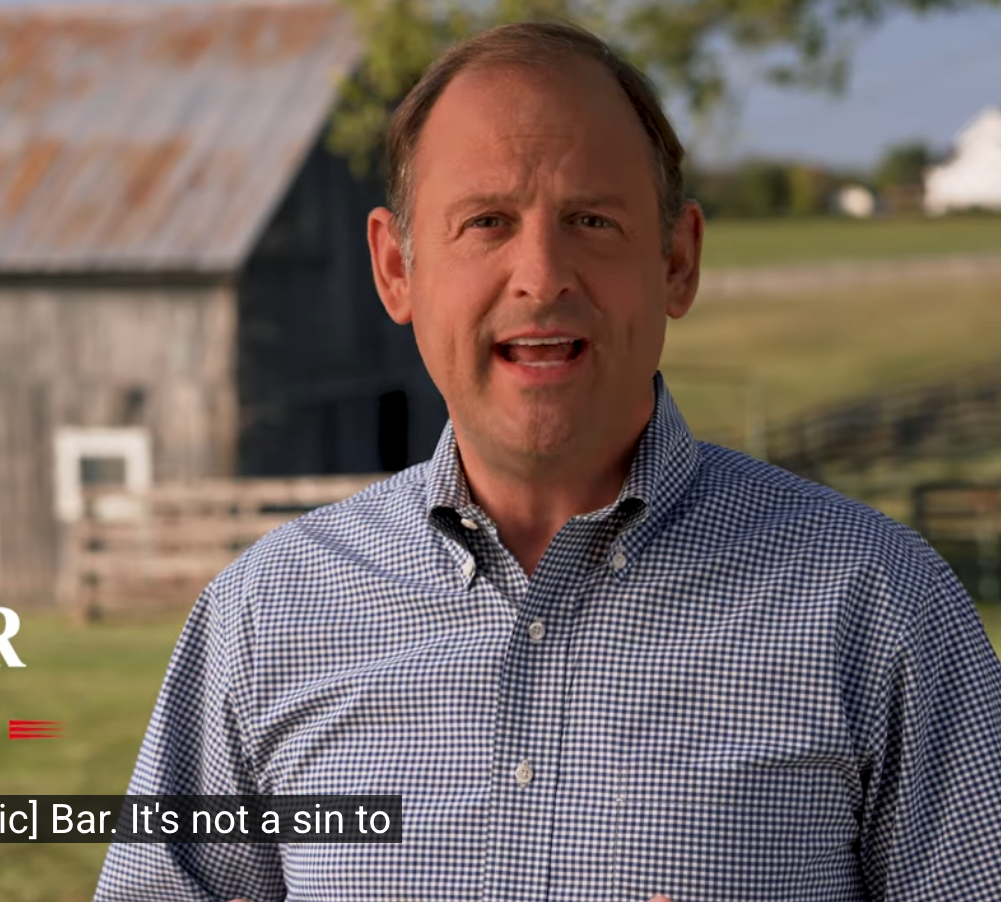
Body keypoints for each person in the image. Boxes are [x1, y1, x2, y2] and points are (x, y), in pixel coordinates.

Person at [93, 19, 1001, 902]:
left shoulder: (881, 607)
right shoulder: (264, 618)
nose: (541, 275)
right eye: (486, 221)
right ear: (396, 269)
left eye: (592, 221)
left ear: (677, 260)